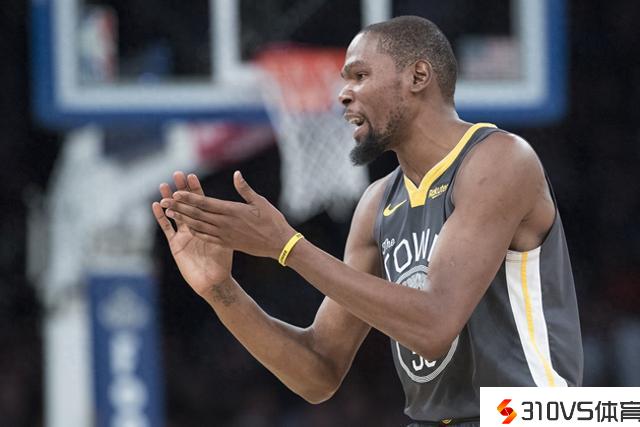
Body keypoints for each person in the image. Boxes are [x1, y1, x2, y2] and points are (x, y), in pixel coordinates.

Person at [152, 16, 583, 426]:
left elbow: (435, 325)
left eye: (359, 76)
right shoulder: (377, 204)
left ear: (418, 76)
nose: (343, 94)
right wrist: (222, 291)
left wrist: (288, 247)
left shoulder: (500, 160)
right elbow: (318, 371)